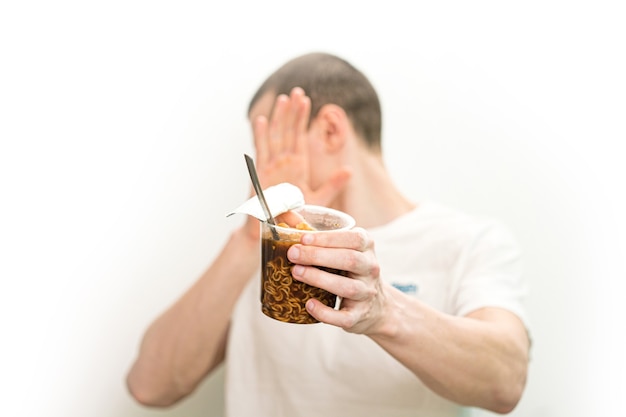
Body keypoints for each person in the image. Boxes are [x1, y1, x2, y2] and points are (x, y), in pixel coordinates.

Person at [126, 52, 531, 416]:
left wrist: (385, 312)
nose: (266, 166)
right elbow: (151, 386)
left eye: (272, 144)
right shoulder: (263, 247)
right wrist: (251, 239)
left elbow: (506, 383)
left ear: (331, 130)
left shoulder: (467, 243)